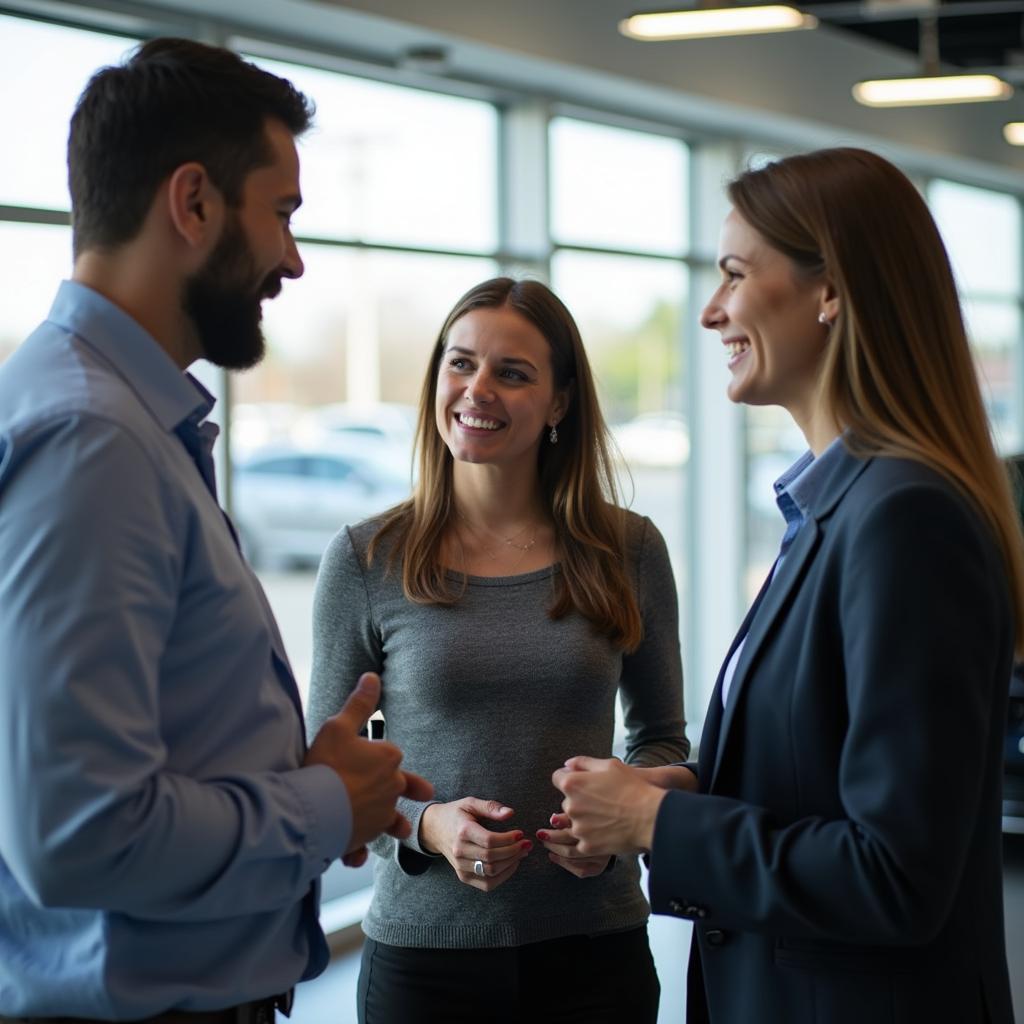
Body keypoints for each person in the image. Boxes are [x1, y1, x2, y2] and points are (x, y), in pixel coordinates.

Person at [0, 38, 430, 1022]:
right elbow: (77, 831)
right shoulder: (90, 438)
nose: (292, 256)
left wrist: (298, 769)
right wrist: (325, 804)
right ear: (192, 203)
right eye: (280, 213)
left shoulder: (112, 418)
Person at [552, 147, 1022, 1024]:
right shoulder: (838, 506)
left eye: (734, 273)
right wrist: (681, 791)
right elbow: (823, 776)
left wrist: (659, 828)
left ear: (831, 290)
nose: (711, 309)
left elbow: (895, 876)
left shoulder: (903, 519)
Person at [308, 276, 689, 1023]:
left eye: (512, 373)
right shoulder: (364, 559)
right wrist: (426, 828)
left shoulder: (630, 548)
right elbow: (330, 775)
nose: (477, 389)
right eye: (461, 363)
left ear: (559, 403)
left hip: (596, 952)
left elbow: (660, 738)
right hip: (426, 963)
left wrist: (619, 827)